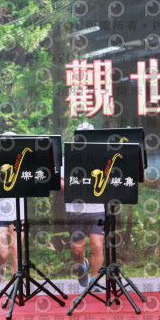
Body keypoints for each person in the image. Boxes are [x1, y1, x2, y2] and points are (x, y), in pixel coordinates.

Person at [60, 122, 105, 288]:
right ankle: (82, 266)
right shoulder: (67, 158)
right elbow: (60, 182)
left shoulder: (102, 157)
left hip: (97, 209)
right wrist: (79, 184)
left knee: (97, 245)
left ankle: (95, 280)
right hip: (75, 209)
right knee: (77, 249)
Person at [0, 198, 22, 290]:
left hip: (18, 211)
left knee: (16, 251)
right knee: (3, 253)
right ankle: (2, 272)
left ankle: (16, 282)